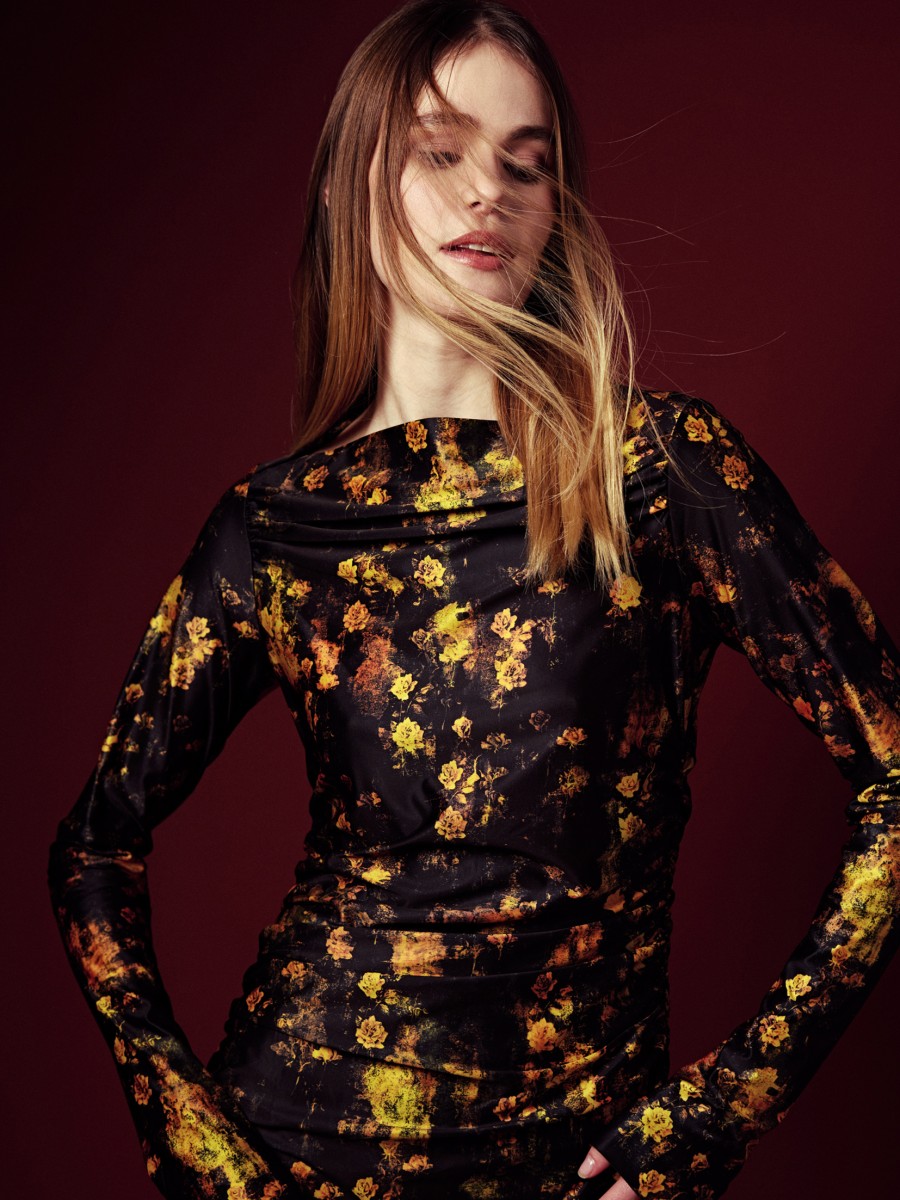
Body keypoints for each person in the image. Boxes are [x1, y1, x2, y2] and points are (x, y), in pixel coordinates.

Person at [47, 2, 900, 1198]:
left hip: (579, 1164)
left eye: (524, 163)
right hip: (303, 1140)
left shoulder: (657, 472)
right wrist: (204, 1154)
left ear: (555, 208)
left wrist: (714, 1114)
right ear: (352, 188)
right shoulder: (275, 529)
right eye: (440, 151)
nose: (487, 189)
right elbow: (94, 846)